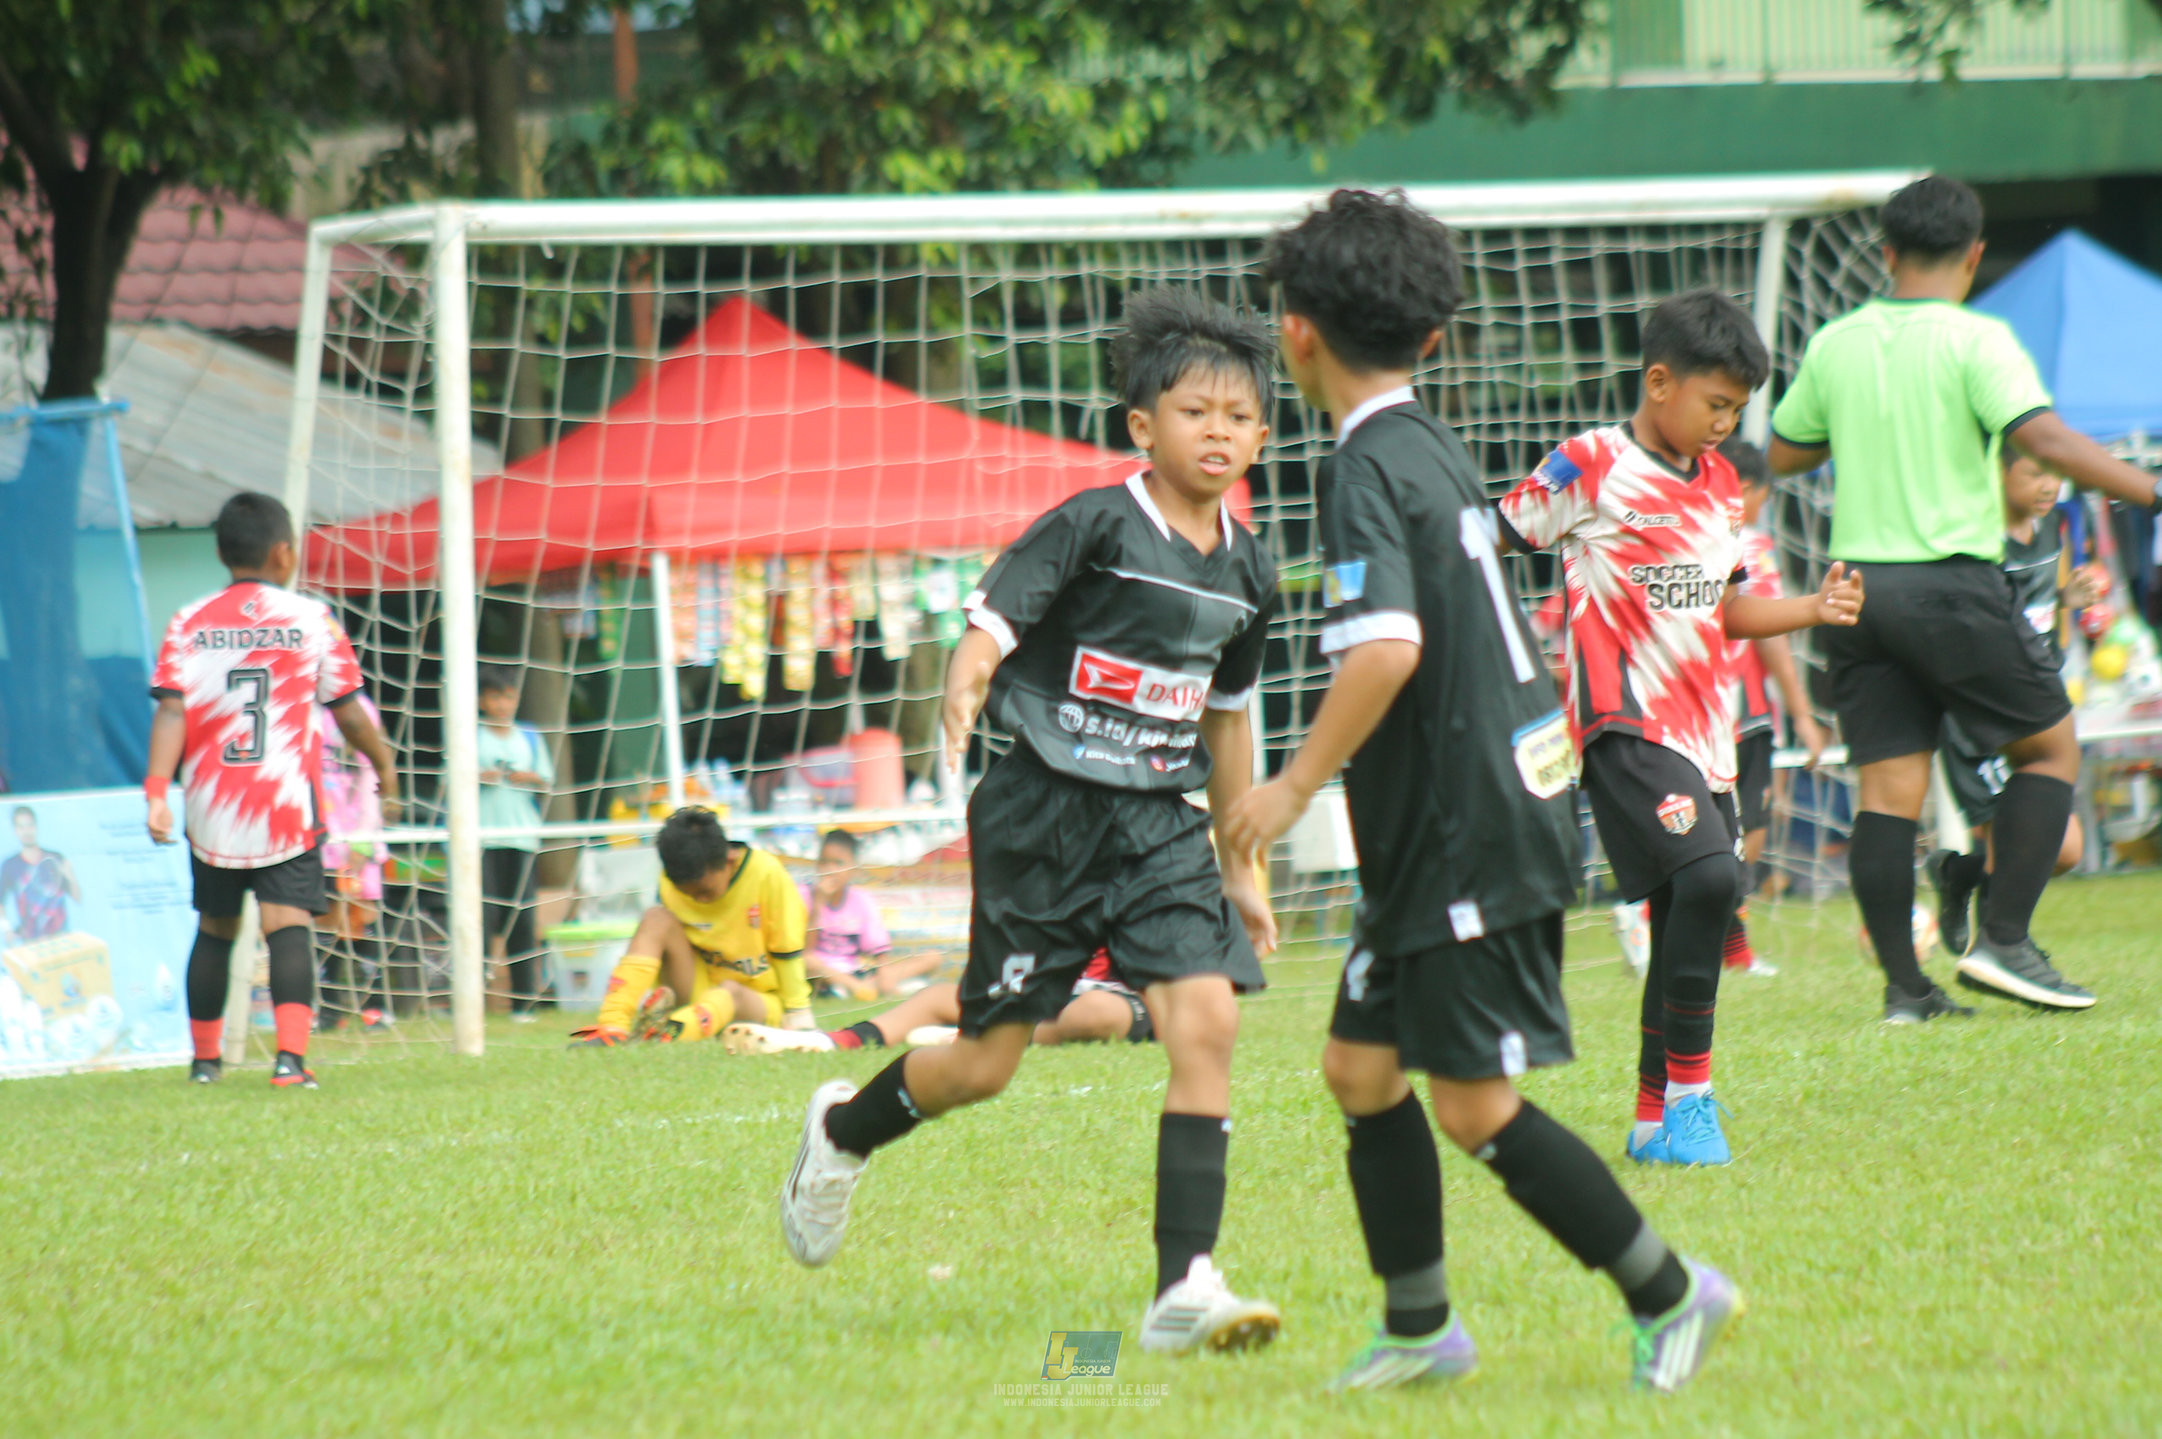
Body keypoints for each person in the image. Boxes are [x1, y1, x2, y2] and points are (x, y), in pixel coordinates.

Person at [1220, 189, 1737, 1394]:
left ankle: (1671, 1291)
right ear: (1434, 337)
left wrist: (1288, 786)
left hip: (1461, 829)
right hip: (1454, 820)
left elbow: (1386, 648)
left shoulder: (1360, 468)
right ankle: (1419, 1328)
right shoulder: (1424, 442)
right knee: (1359, 1069)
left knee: (1470, 1102)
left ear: (1295, 332)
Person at [776, 286, 1283, 1358]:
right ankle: (839, 1130)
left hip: (1160, 821)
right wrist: (965, 683)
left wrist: (1243, 864)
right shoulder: (1092, 524)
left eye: (1237, 417)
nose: (1218, 433)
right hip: (1042, 813)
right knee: (983, 1062)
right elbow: (991, 620)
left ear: (1262, 436)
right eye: (1195, 412)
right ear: (1143, 426)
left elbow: (1228, 716)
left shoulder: (1248, 570)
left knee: (1205, 1021)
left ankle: (1182, 1282)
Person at [1768, 174, 2162, 1019]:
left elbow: (1787, 450)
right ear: (1976, 255)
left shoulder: (1838, 342)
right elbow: (2044, 439)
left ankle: (1907, 991)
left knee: (1887, 790)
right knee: (2051, 749)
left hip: (1855, 591)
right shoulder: (1980, 340)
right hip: (1949, 580)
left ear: (1886, 254)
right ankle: (2004, 942)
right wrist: (2150, 490)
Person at [1498, 292, 1862, 1169]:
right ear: (1659, 382)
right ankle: (1695, 1099)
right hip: (1624, 727)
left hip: (1708, 734)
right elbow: (1493, 539)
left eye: (1738, 409)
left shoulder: (1722, 483)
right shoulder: (1588, 464)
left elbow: (1725, 608)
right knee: (1709, 877)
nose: (1725, 423)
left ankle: (1655, 1117)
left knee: (1685, 909)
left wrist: (1812, 606)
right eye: (1716, 404)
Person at [146, 492, 400, 1089]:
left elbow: (171, 713)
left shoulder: (188, 621)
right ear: (283, 552)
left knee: (215, 927)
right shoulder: (312, 619)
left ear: (220, 551)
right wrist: (384, 767)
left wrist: (157, 789)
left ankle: (205, 1064)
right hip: (284, 799)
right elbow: (351, 714)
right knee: (287, 924)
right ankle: (289, 1061)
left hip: (211, 803)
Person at [1926, 451, 2102, 953]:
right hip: (1981, 715)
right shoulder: (1979, 543)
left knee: (2061, 849)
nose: (2048, 486)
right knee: (2031, 842)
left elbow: (2039, 608)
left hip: (2034, 703)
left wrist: (2067, 601)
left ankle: (1960, 877)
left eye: (2055, 474)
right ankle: (2004, 946)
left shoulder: (2051, 532)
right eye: (2034, 475)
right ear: (1997, 475)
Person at [1718, 437, 1832, 979]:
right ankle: (1684, 933)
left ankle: (1726, 948)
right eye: (1762, 498)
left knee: (1736, 836)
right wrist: (1804, 715)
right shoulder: (1748, 541)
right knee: (1743, 836)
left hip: (1723, 711)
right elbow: (1772, 637)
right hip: (1731, 710)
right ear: (1744, 490)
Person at [570, 806, 813, 1045]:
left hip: (756, 998)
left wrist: (798, 1013)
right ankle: (612, 1026)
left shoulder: (766, 874)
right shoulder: (671, 879)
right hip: (696, 985)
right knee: (656, 917)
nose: (700, 900)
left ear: (728, 859)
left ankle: (668, 1032)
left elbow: (787, 946)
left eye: (705, 892)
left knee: (730, 991)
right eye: (689, 895)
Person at [724, 949, 1156, 1054]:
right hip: (1045, 997)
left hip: (1121, 1001)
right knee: (934, 996)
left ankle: (963, 1038)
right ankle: (832, 1042)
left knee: (1094, 1013)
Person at [477, 667, 554, 1019]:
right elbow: (449, 781)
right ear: (481, 701)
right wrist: (478, 778)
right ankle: (472, 999)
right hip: (479, 840)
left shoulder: (530, 737)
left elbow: (546, 782)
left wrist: (529, 778)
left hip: (522, 837)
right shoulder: (470, 735)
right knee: (481, 918)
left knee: (522, 920)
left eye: (509, 696)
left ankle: (524, 1003)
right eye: (495, 696)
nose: (503, 704)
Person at [314, 695, 391, 1030]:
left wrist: (362, 840)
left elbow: (373, 778)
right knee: (325, 922)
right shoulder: (301, 705)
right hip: (318, 839)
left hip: (358, 835)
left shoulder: (360, 708)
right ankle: (330, 1009)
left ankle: (375, 1006)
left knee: (360, 919)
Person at [801, 829, 944, 1001]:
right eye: (824, 862)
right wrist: (817, 905)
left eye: (838, 863)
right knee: (807, 962)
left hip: (855, 972)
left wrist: (885, 975)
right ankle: (855, 988)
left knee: (932, 957)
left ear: (853, 868)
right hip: (820, 973)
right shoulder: (804, 895)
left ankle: (861, 987)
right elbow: (806, 952)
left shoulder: (860, 899)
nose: (830, 870)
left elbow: (879, 951)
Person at [1, 806, 81, 943]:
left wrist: (71, 878)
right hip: (31, 943)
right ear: (15, 831)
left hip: (61, 940)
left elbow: (77, 898)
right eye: (21, 827)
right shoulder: (10, 866)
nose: (26, 831)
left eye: (30, 825)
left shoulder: (55, 858)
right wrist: (6, 929)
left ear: (36, 827)